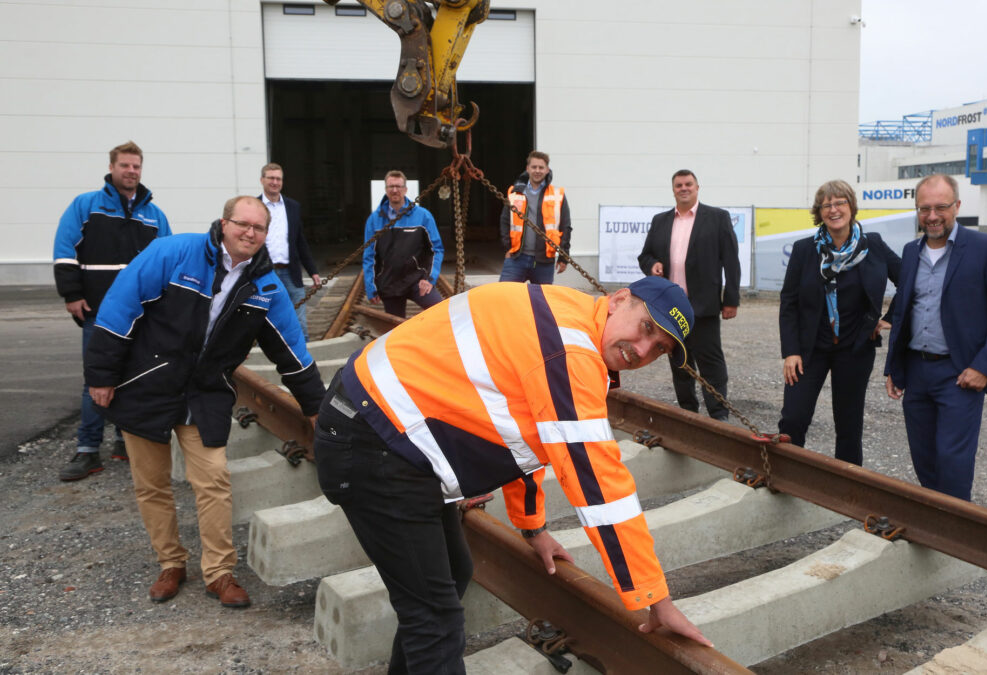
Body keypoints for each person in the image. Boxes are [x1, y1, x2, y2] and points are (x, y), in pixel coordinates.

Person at [313, 277, 712, 673]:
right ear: (619, 299)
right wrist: (655, 598)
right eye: (646, 328)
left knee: (451, 578)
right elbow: (601, 486)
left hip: (384, 430)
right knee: (435, 620)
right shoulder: (569, 352)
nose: (642, 350)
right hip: (375, 442)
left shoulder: (565, 313)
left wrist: (532, 527)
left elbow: (514, 427)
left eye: (658, 348)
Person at [84, 196, 325, 607]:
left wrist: (316, 408)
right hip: (148, 383)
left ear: (267, 235)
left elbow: (291, 349)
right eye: (242, 224)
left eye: (258, 228)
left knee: (213, 480)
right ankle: (171, 563)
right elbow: (118, 309)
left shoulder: (266, 285)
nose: (249, 233)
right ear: (223, 223)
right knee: (151, 483)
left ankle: (219, 572)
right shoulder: (173, 253)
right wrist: (102, 377)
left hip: (205, 392)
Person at [884, 174, 987, 501]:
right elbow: (904, 310)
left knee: (953, 459)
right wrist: (894, 367)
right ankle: (936, 527)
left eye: (940, 208)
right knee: (924, 457)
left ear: (957, 206)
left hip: (960, 373)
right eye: (924, 209)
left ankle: (957, 534)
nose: (932, 216)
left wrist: (984, 367)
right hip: (917, 372)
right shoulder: (910, 251)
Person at [53, 141, 172, 481]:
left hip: (141, 315)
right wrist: (71, 293)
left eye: (136, 166)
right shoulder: (86, 206)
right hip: (99, 312)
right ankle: (88, 449)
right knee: (97, 378)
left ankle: (125, 441)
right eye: (125, 166)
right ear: (112, 167)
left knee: (134, 377)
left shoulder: (155, 215)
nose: (131, 171)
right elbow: (65, 250)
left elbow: (167, 262)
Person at [777, 180, 901, 465]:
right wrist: (791, 351)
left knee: (848, 426)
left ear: (851, 206)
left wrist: (888, 319)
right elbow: (789, 303)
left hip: (855, 350)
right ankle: (785, 479)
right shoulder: (804, 249)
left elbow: (908, 280)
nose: (834, 210)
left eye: (840, 202)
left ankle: (847, 490)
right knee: (793, 418)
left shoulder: (874, 246)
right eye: (827, 205)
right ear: (819, 212)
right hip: (810, 349)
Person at [638, 169, 740, 420]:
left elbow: (731, 262)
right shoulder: (660, 221)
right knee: (680, 364)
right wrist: (652, 266)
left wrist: (731, 300)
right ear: (673, 189)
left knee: (711, 364)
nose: (683, 188)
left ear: (697, 187)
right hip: (671, 309)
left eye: (688, 184)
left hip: (704, 306)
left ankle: (719, 415)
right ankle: (688, 414)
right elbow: (645, 255)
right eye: (678, 185)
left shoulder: (717, 218)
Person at [362, 170, 444, 318]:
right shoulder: (374, 220)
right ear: (386, 189)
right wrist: (371, 287)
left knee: (440, 313)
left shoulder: (423, 216)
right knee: (396, 328)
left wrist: (430, 279)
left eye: (398, 186)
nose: (395, 190)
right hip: (389, 282)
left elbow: (436, 249)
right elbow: (369, 256)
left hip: (417, 280)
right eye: (391, 186)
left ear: (405, 189)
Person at [259, 163, 321, 339]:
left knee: (299, 319)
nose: (275, 182)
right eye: (271, 178)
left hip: (290, 273)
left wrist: (313, 271)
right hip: (264, 273)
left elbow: (300, 242)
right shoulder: (255, 207)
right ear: (262, 180)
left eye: (278, 178)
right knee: (262, 316)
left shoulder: (293, 206)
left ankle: (304, 356)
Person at [498, 150, 572, 284]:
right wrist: (507, 247)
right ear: (528, 169)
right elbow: (504, 221)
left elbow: (565, 227)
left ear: (547, 170)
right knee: (506, 297)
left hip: (544, 261)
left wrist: (563, 257)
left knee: (541, 302)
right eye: (534, 167)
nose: (537, 170)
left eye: (541, 167)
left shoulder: (557, 195)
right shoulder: (515, 192)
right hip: (516, 258)